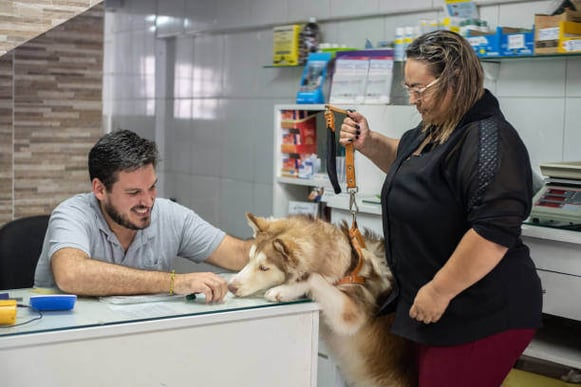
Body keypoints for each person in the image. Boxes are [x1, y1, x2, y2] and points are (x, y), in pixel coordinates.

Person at [339, 30, 542, 386]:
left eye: (421, 89)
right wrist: (368, 143)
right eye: (409, 88)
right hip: (435, 308)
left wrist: (438, 291)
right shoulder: (433, 128)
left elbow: (493, 232)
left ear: (457, 80)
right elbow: (414, 169)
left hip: (480, 309)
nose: (414, 99)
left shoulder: (488, 139)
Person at [34, 129, 251, 302]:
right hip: (67, 340)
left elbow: (239, 254)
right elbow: (71, 274)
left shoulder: (170, 215)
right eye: (133, 193)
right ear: (100, 190)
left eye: (152, 187)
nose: (147, 202)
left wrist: (282, 237)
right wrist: (175, 282)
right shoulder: (71, 214)